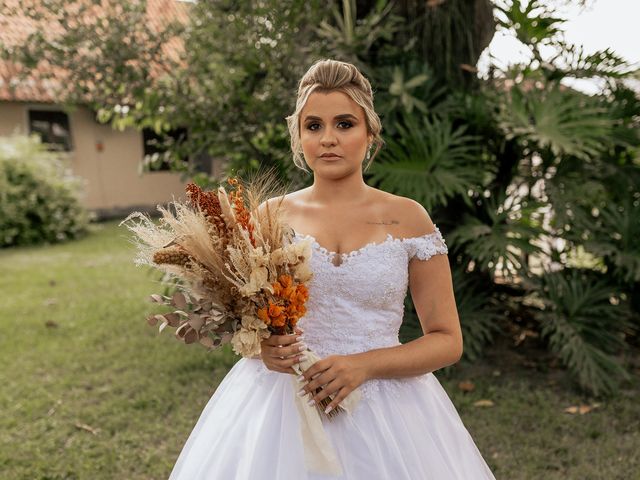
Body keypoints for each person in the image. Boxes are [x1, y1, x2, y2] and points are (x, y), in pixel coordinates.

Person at [168, 59, 497, 479]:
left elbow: (447, 341)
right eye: (313, 126)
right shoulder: (271, 216)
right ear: (298, 136)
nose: (328, 139)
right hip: (283, 402)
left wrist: (364, 365)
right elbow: (252, 317)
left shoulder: (409, 218)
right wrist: (263, 349)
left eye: (344, 124)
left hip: (390, 410)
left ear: (369, 133)